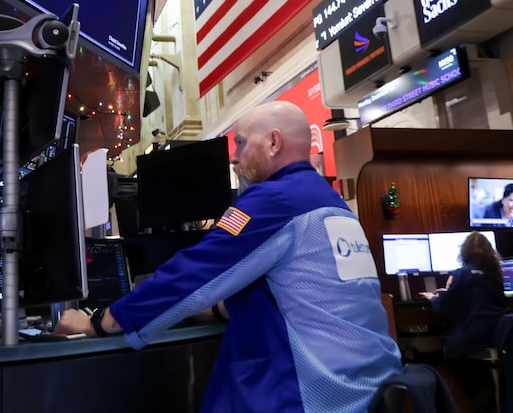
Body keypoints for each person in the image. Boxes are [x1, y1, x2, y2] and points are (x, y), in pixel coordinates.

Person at [55, 101, 402, 412]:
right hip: (369, 388)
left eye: (240, 143)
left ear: (273, 143)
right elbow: (302, 293)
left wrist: (99, 322)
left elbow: (192, 274)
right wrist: (220, 309)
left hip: (311, 396)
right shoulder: (331, 203)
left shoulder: (275, 201)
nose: (233, 157)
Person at [421, 231, 508, 412]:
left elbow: (443, 307)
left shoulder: (461, 275)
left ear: (464, 253)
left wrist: (433, 297)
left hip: (469, 342)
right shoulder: (497, 275)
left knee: (452, 355)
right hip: (496, 337)